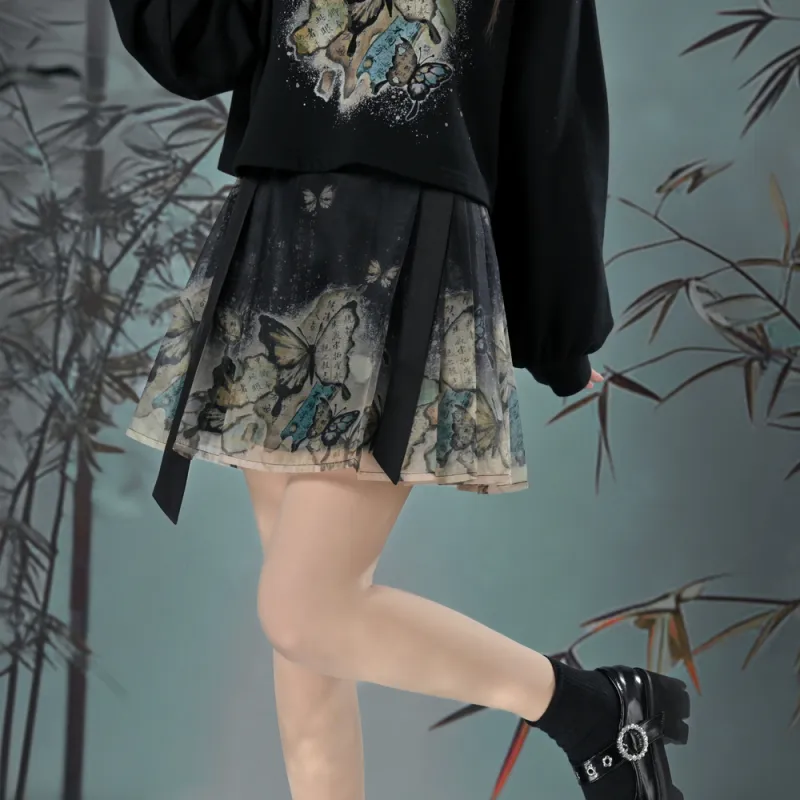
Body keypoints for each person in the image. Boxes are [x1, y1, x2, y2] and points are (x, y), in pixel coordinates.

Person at [108, 0, 691, 798]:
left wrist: (561, 331)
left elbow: (549, 110)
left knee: (303, 612)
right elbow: (196, 45)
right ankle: (593, 709)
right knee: (307, 662)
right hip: (280, 231)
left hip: (414, 244)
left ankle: (590, 709)